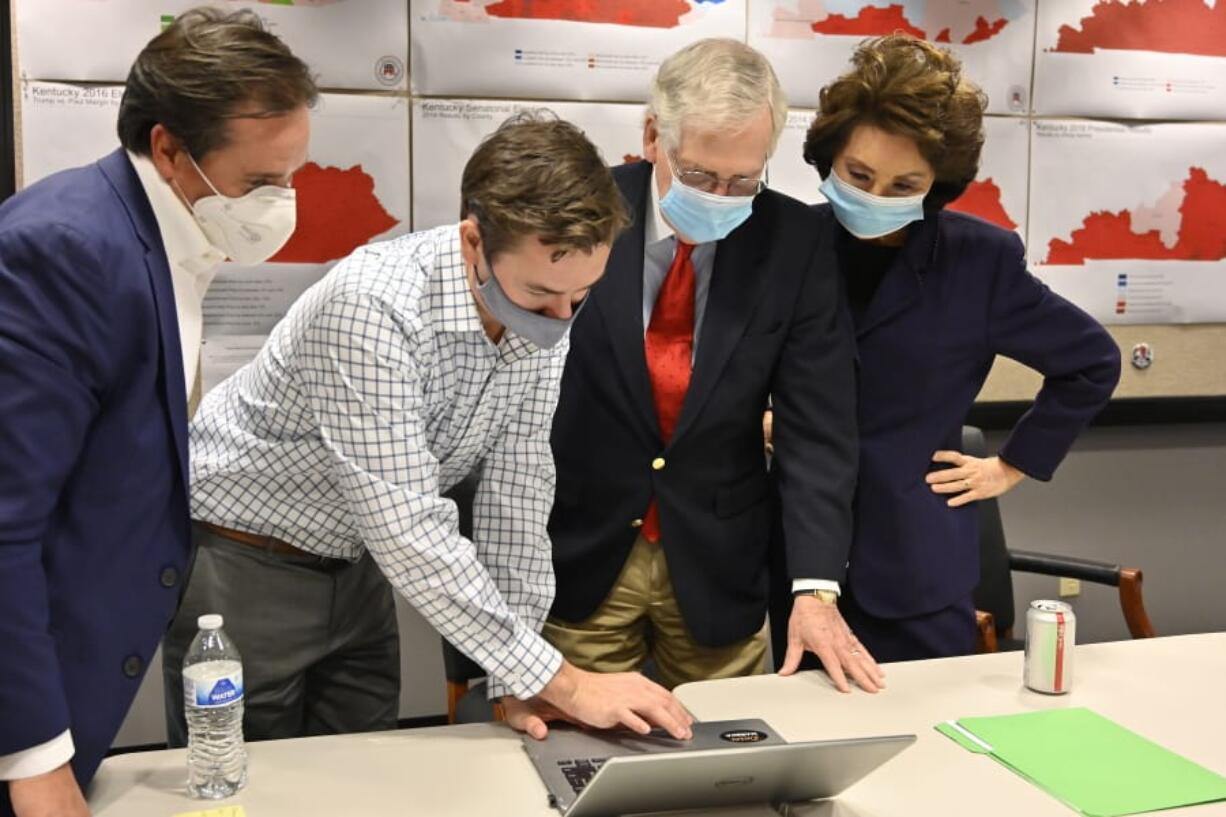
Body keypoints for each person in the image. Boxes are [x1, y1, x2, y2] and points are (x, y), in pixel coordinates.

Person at [163, 112, 694, 746]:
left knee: (373, 772)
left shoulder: (545, 300)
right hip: (243, 562)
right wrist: (567, 682)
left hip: (357, 562)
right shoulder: (373, 306)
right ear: (474, 242)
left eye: (578, 298)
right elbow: (409, 525)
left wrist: (516, 676)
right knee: (253, 782)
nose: (561, 317)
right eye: (542, 295)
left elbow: (517, 491)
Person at [0, 9, 314, 817]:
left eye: (291, 176)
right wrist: (32, 757)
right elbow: (4, 520)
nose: (281, 204)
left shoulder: (169, 237)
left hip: (77, 689)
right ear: (170, 147)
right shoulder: (67, 249)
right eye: (259, 183)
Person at [543, 38, 882, 696]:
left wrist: (815, 587)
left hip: (718, 558)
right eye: (699, 176)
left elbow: (818, 426)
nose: (721, 197)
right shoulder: (580, 213)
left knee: (733, 760)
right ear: (652, 136)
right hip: (584, 547)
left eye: (742, 181)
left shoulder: (796, 244)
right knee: (583, 757)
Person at [769, 34, 1121, 666]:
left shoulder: (978, 261)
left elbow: (1092, 362)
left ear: (938, 184)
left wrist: (1008, 467)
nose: (876, 196)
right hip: (791, 559)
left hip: (915, 567)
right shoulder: (788, 246)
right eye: (858, 175)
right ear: (827, 158)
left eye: (904, 183)